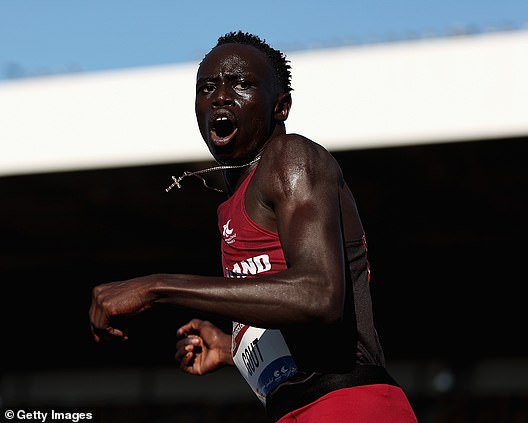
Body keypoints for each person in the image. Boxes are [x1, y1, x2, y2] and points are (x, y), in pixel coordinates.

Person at [89, 30, 418, 422]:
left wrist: (156, 287)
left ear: (281, 107)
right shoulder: (233, 202)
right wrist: (234, 348)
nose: (222, 96)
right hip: (297, 410)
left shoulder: (290, 157)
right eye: (207, 87)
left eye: (241, 83)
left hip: (348, 406)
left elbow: (319, 296)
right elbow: (296, 320)